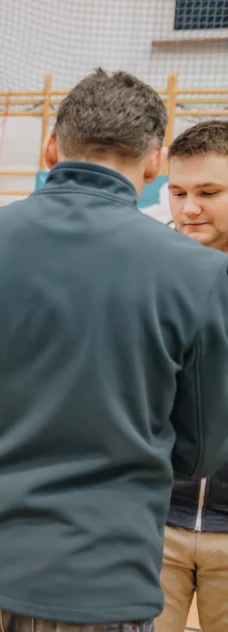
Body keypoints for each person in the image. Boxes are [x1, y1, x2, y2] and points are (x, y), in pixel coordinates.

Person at [0, 68, 228, 629]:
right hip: (99, 577)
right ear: (154, 160)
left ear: (51, 146)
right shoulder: (199, 273)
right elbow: (197, 455)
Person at [156, 119, 228, 632]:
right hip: (155, 521)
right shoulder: (148, 268)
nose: (189, 209)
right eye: (177, 192)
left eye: (208, 192)